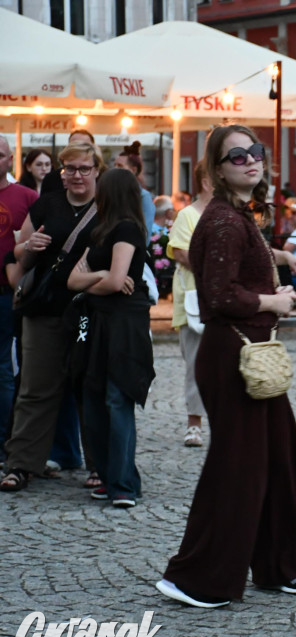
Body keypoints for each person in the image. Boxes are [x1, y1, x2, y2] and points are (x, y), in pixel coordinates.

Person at [157, 124, 296, 608]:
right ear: (217, 169)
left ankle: (278, 565)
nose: (251, 160)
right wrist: (273, 300)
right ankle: (196, 578)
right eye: (237, 156)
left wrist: (271, 290)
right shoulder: (225, 220)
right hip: (233, 356)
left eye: (256, 151)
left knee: (279, 458)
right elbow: (220, 295)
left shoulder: (239, 214)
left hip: (250, 353)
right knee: (238, 468)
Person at [1, 142, 104, 493]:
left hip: (90, 311)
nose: (77, 175)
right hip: (44, 309)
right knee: (35, 388)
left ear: (97, 170)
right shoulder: (47, 204)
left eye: (84, 168)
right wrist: (29, 247)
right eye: (69, 168)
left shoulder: (107, 207)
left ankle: (100, 465)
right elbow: (18, 252)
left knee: (90, 386)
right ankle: (21, 464)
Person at [66, 168, 154, 508]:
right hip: (99, 321)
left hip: (123, 324)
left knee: (118, 399)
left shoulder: (127, 229)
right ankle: (110, 476)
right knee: (94, 397)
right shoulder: (100, 231)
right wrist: (101, 275)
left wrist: (98, 280)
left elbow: (118, 283)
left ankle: (123, 484)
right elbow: (73, 281)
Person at [167, 162, 213, 448]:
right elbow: (182, 253)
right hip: (195, 299)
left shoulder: (230, 212)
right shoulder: (188, 215)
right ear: (206, 181)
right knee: (196, 364)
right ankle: (194, 423)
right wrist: (220, 267)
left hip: (223, 299)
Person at [0, 138, 37, 456]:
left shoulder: (27, 197)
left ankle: (4, 441)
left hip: (8, 293)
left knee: (6, 368)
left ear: (10, 159)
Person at [114, 142, 155, 232]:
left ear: (133, 170)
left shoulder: (143, 196)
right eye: (115, 165)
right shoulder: (111, 193)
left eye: (120, 166)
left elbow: (145, 231)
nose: (115, 169)